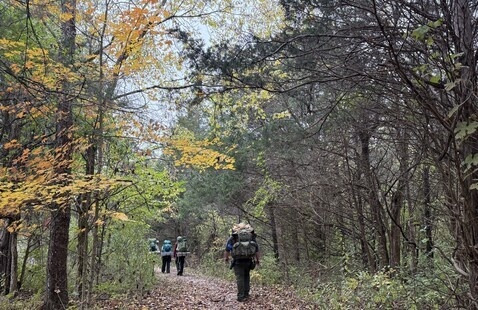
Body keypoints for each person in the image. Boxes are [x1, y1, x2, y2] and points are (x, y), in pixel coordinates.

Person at [224, 223, 260, 302]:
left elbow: (227, 249)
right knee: (246, 276)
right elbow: (256, 249)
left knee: (240, 278)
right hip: (249, 260)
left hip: (237, 261)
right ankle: (246, 294)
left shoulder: (233, 237)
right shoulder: (251, 236)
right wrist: (257, 260)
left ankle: (241, 296)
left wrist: (226, 259)